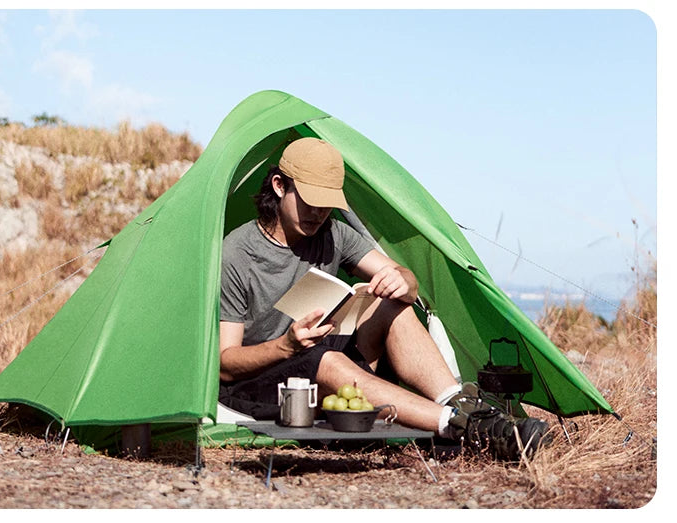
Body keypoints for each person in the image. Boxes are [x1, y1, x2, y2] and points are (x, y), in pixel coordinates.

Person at [218, 137, 550, 460]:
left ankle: (458, 403)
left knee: (391, 303)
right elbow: (226, 365)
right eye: (310, 201)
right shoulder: (236, 254)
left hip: (322, 359)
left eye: (327, 203)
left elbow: (406, 280)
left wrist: (403, 281)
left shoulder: (334, 233)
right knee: (326, 360)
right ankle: (460, 427)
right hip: (263, 384)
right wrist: (286, 346)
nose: (318, 213)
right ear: (279, 186)